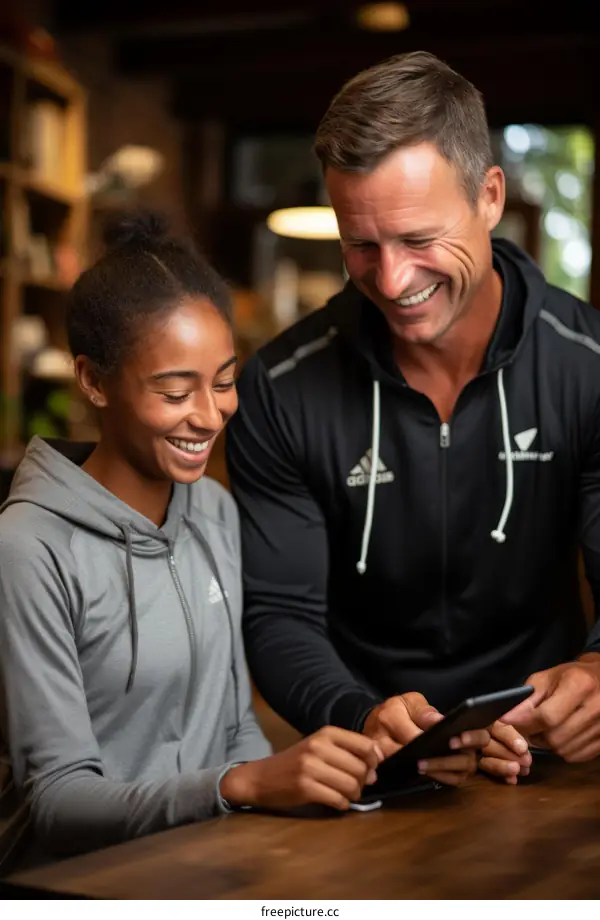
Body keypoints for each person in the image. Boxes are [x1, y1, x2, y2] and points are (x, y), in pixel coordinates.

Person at [226, 50, 600, 786]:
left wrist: (596, 673)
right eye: (361, 244)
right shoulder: (277, 388)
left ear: (490, 196)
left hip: (550, 760)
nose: (392, 281)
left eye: (420, 239)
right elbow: (278, 612)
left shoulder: (589, 365)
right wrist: (356, 713)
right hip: (370, 767)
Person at [0, 212, 407, 865]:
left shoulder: (214, 511)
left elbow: (232, 724)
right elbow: (55, 800)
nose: (209, 414)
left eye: (223, 382)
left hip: (206, 864)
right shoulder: (28, 548)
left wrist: (294, 784)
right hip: (71, 886)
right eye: (173, 391)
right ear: (93, 381)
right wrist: (237, 786)